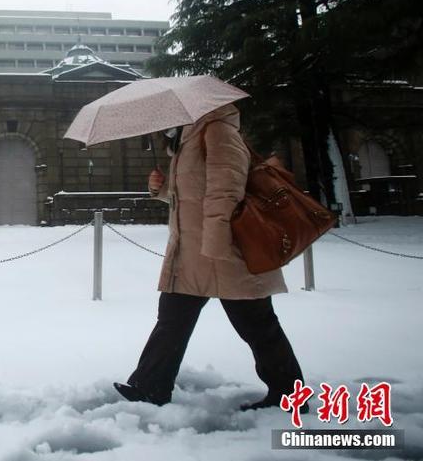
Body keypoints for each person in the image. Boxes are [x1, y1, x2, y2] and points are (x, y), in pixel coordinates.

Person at [114, 103, 305, 411]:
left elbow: (226, 190)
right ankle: (149, 387)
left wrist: (216, 245)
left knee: (257, 325)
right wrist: (161, 190)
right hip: (192, 254)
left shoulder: (217, 131)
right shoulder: (190, 136)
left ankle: (289, 396)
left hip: (227, 252)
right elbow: (195, 191)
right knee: (172, 319)